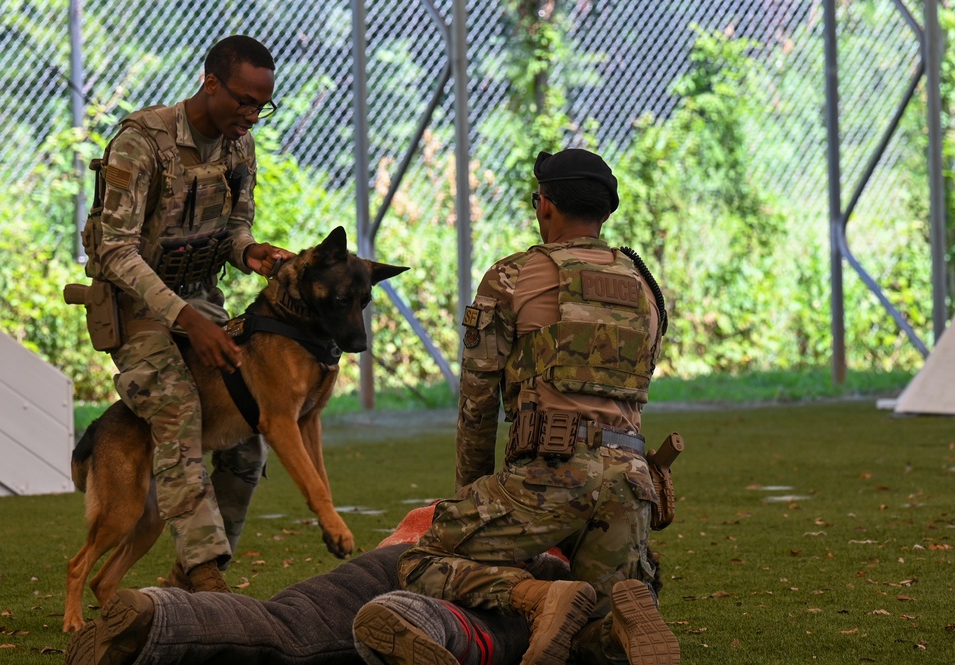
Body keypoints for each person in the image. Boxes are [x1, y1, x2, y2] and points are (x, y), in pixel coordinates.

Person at [394, 148, 681, 665]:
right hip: (632, 483)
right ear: (606, 212)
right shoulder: (646, 287)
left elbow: (478, 404)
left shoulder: (512, 276)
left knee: (422, 559)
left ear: (544, 205)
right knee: (594, 627)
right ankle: (618, 632)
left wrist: (473, 492)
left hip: (549, 478)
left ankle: (539, 596)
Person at [78, 35, 290, 592]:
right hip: (138, 310)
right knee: (179, 413)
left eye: (262, 105)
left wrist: (249, 252)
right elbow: (115, 250)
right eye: (244, 100)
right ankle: (203, 576)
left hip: (201, 302)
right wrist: (186, 320)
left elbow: (235, 228)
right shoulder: (141, 141)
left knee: (247, 434)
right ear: (210, 82)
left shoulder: (239, 146)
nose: (251, 115)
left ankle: (195, 569)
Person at [64, 505, 564, 665]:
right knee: (495, 634)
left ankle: (160, 616)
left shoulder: (487, 494)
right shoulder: (587, 533)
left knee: (283, 623)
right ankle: (412, 619)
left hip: (405, 549)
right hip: (518, 579)